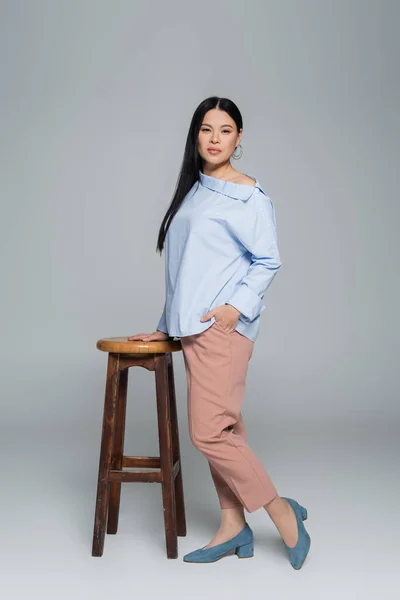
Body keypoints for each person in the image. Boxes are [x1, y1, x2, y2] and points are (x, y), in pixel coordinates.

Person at [128, 96, 311, 568]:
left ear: (239, 137)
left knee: (209, 433)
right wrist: (166, 327)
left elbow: (268, 260)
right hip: (193, 331)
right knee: (226, 430)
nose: (214, 138)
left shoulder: (248, 194)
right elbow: (184, 270)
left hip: (223, 331)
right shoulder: (194, 191)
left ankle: (281, 512)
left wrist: (234, 309)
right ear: (196, 135)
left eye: (225, 130)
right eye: (206, 129)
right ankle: (233, 528)